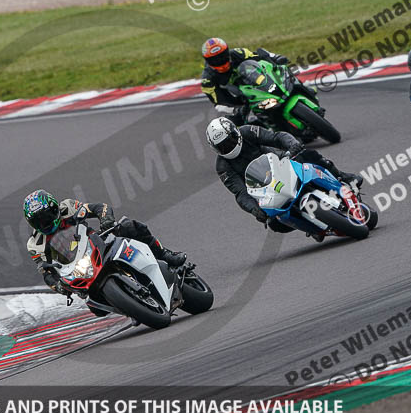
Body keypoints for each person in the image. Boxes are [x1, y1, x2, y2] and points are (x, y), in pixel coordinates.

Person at [205, 117, 362, 240]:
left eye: (230, 140)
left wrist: (292, 145)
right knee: (274, 223)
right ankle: (312, 228)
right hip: (263, 189)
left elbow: (276, 137)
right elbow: (240, 192)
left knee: (308, 155)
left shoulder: (247, 131)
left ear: (235, 132)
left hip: (279, 163)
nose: (229, 146)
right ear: (215, 149)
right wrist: (254, 209)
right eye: (222, 146)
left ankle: (342, 176)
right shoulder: (222, 166)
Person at [23, 190, 186, 294]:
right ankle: (127, 305)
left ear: (55, 208)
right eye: (38, 221)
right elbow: (46, 272)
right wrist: (58, 286)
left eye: (46, 217)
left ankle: (165, 254)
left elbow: (99, 207)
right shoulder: (35, 245)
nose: (44, 223)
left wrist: (106, 219)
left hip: (98, 243)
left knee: (129, 226)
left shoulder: (68, 207)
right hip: (76, 269)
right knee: (95, 307)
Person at [201, 38, 316, 125]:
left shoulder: (238, 53)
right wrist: (236, 108)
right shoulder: (207, 79)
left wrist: (275, 58)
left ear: (227, 53)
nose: (220, 61)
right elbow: (219, 102)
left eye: (222, 56)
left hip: (254, 80)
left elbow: (259, 56)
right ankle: (269, 130)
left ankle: (302, 86)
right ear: (208, 61)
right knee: (240, 123)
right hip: (239, 97)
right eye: (215, 60)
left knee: (282, 70)